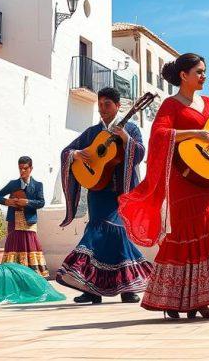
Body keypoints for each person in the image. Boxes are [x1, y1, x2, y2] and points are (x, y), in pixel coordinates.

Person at [119, 53, 209, 319]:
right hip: (183, 178)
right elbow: (160, 135)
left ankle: (192, 298)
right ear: (183, 75)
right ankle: (190, 301)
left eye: (205, 71)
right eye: (199, 71)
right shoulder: (171, 106)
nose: (204, 76)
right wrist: (195, 133)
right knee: (190, 231)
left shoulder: (208, 103)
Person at [56, 87, 151, 304]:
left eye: (107, 104)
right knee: (98, 232)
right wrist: (77, 154)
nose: (102, 109)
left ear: (118, 106)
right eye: (99, 105)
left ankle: (125, 287)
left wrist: (125, 138)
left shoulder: (131, 129)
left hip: (122, 192)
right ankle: (93, 290)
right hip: (97, 193)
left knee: (118, 233)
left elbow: (139, 154)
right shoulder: (91, 133)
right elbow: (66, 152)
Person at [0, 156, 49, 276]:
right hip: (14, 222)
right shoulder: (13, 184)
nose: (22, 171)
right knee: (13, 247)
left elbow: (41, 203)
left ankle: (33, 278)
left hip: (29, 223)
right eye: (20, 168)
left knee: (31, 248)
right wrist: (7, 202)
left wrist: (27, 202)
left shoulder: (38, 185)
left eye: (25, 168)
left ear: (31, 168)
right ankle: (11, 277)